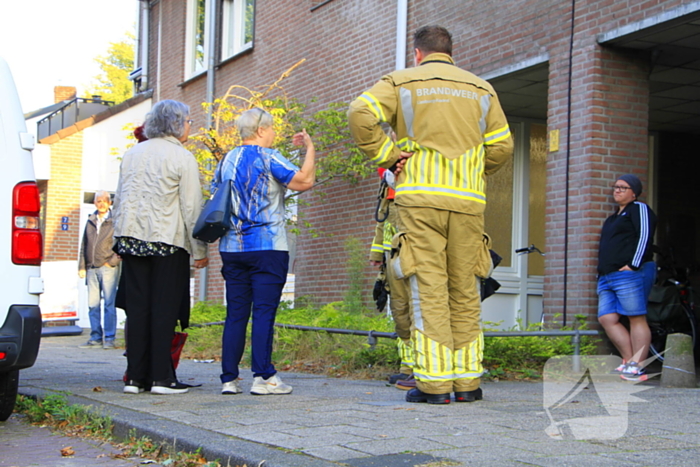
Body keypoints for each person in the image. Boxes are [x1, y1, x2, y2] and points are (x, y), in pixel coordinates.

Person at [348, 26, 513, 404]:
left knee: (428, 288)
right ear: (451, 52)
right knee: (467, 288)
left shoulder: (402, 81)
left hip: (420, 200)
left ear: (418, 53)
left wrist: (387, 157)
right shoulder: (482, 89)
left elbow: (360, 113)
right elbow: (502, 146)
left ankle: (435, 385)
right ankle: (468, 383)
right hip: (468, 203)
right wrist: (473, 172)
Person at [216, 108, 316, 396]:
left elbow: (215, 196)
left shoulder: (227, 160)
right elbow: (304, 181)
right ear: (260, 131)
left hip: (232, 248)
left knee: (235, 313)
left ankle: (229, 379)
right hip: (267, 247)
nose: (274, 134)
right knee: (263, 313)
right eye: (272, 129)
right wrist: (309, 149)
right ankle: (264, 378)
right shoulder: (268, 156)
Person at [113, 99, 208, 395]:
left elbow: (119, 200)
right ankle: (161, 378)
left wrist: (119, 238)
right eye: (189, 120)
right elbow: (192, 206)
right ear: (176, 123)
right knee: (164, 309)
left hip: (131, 239)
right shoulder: (182, 157)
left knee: (137, 309)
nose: (191, 126)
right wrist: (200, 251)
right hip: (166, 240)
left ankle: (134, 378)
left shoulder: (132, 154)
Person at [597, 174, 657, 382]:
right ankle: (628, 361)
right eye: (616, 187)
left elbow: (645, 236)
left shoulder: (639, 209)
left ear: (634, 193)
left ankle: (638, 366)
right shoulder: (612, 218)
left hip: (630, 274)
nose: (618, 190)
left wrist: (633, 265)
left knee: (635, 317)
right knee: (607, 318)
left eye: (623, 187)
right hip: (607, 276)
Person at [368, 168, 415, 389]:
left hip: (414, 257)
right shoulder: (388, 180)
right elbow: (383, 219)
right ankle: (407, 368)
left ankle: (422, 366)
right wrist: (377, 255)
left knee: (419, 311)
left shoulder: (416, 176)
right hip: (393, 258)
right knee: (400, 311)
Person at [78, 190, 121, 349]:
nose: (101, 203)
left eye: (104, 200)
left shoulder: (114, 220)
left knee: (109, 304)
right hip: (91, 268)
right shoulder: (90, 220)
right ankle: (95, 337)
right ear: (95, 203)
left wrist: (112, 262)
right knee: (92, 305)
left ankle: (109, 338)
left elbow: (120, 243)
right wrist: (82, 266)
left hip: (107, 267)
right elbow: (84, 245)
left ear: (109, 203)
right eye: (98, 201)